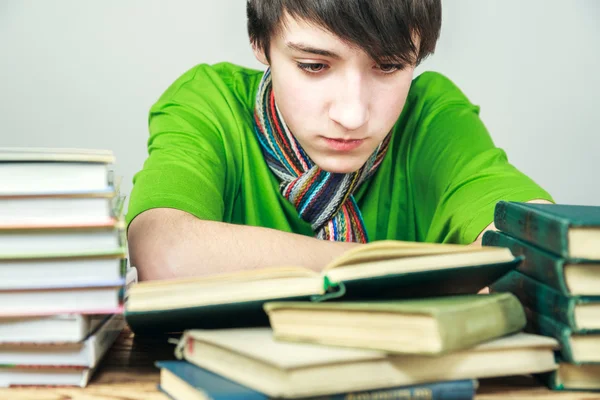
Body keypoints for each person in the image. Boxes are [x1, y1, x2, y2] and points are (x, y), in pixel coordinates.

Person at [126, 0, 552, 281]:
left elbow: (540, 245)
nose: (352, 114)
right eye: (314, 65)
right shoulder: (209, 101)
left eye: (387, 67)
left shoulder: (429, 114)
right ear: (260, 43)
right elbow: (165, 254)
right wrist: (420, 274)